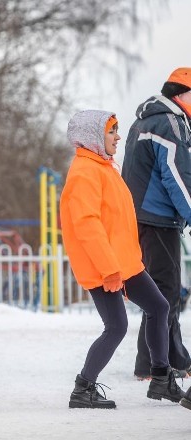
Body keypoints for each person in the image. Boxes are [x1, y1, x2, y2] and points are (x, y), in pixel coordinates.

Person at [61, 110, 187, 408]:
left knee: (159, 306)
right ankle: (83, 389)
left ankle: (160, 377)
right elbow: (88, 226)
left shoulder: (104, 167)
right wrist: (109, 270)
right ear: (93, 137)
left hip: (125, 262)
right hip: (105, 266)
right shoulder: (84, 173)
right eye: (112, 132)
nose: (118, 137)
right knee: (116, 327)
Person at [121, 68, 191, 380]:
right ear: (182, 94)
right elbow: (177, 176)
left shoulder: (147, 120)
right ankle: (160, 363)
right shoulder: (169, 122)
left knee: (159, 294)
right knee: (166, 293)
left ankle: (161, 361)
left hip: (139, 214)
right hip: (157, 216)